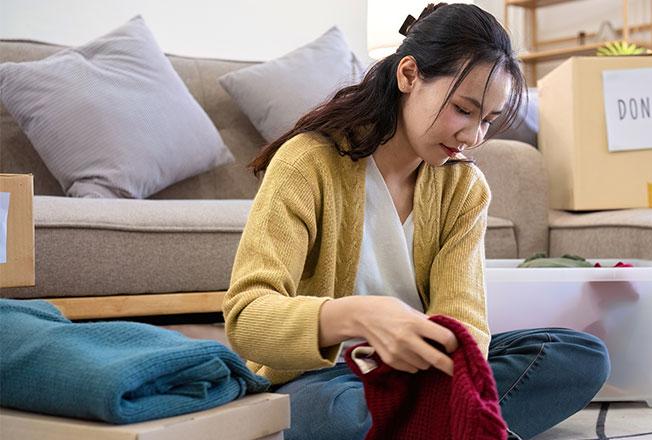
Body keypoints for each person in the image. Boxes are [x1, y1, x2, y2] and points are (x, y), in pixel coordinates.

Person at [223, 3, 610, 439]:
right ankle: (455, 423)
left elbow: (464, 319)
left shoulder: (463, 187)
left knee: (580, 354)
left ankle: (426, 421)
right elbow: (248, 317)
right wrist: (359, 316)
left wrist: (443, 369)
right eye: (464, 110)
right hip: (325, 376)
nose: (473, 137)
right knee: (335, 416)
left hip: (426, 373)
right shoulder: (307, 163)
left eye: (487, 120)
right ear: (408, 75)